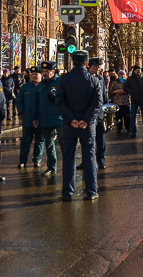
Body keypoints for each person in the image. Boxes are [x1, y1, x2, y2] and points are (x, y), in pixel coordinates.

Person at [55, 51, 101, 200]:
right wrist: (86, 120)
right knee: (89, 157)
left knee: (68, 158)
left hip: (69, 126)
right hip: (87, 127)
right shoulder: (94, 81)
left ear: (73, 62)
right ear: (87, 63)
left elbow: (60, 102)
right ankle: (91, 191)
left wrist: (71, 119)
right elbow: (97, 104)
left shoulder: (64, 79)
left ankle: (68, 192)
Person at [36, 61, 62, 176]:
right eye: (44, 71)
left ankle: (68, 165)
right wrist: (35, 117)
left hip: (59, 118)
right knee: (49, 143)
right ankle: (51, 167)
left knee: (64, 143)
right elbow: (36, 103)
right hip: (45, 118)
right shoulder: (41, 85)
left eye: (47, 71)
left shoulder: (60, 82)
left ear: (53, 72)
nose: (45, 73)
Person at [84, 58, 108, 170]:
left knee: (100, 138)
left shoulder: (101, 78)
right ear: (91, 67)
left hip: (99, 114)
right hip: (88, 114)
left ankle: (101, 160)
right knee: (88, 139)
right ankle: (86, 161)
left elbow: (104, 95)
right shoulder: (85, 78)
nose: (100, 70)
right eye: (97, 68)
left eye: (100, 68)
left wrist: (106, 108)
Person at [16, 66, 42, 169]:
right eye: (33, 74)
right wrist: (21, 111)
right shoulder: (25, 87)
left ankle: (37, 160)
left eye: (36, 74)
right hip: (28, 119)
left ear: (41, 75)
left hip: (41, 119)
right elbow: (19, 101)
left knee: (40, 141)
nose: (34, 76)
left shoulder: (44, 87)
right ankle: (23, 161)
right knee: (25, 141)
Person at [123, 65, 143, 137]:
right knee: (132, 116)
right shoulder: (130, 79)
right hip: (134, 99)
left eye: (139, 70)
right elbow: (125, 87)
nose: (139, 71)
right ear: (134, 71)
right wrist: (131, 92)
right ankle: (133, 130)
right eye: (137, 70)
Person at [109, 69, 130, 134]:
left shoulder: (127, 82)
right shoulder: (115, 82)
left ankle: (128, 128)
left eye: (123, 74)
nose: (122, 75)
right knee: (118, 116)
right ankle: (119, 128)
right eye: (121, 74)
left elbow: (131, 90)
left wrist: (125, 91)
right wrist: (115, 92)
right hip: (117, 101)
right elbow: (110, 91)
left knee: (126, 116)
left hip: (125, 101)